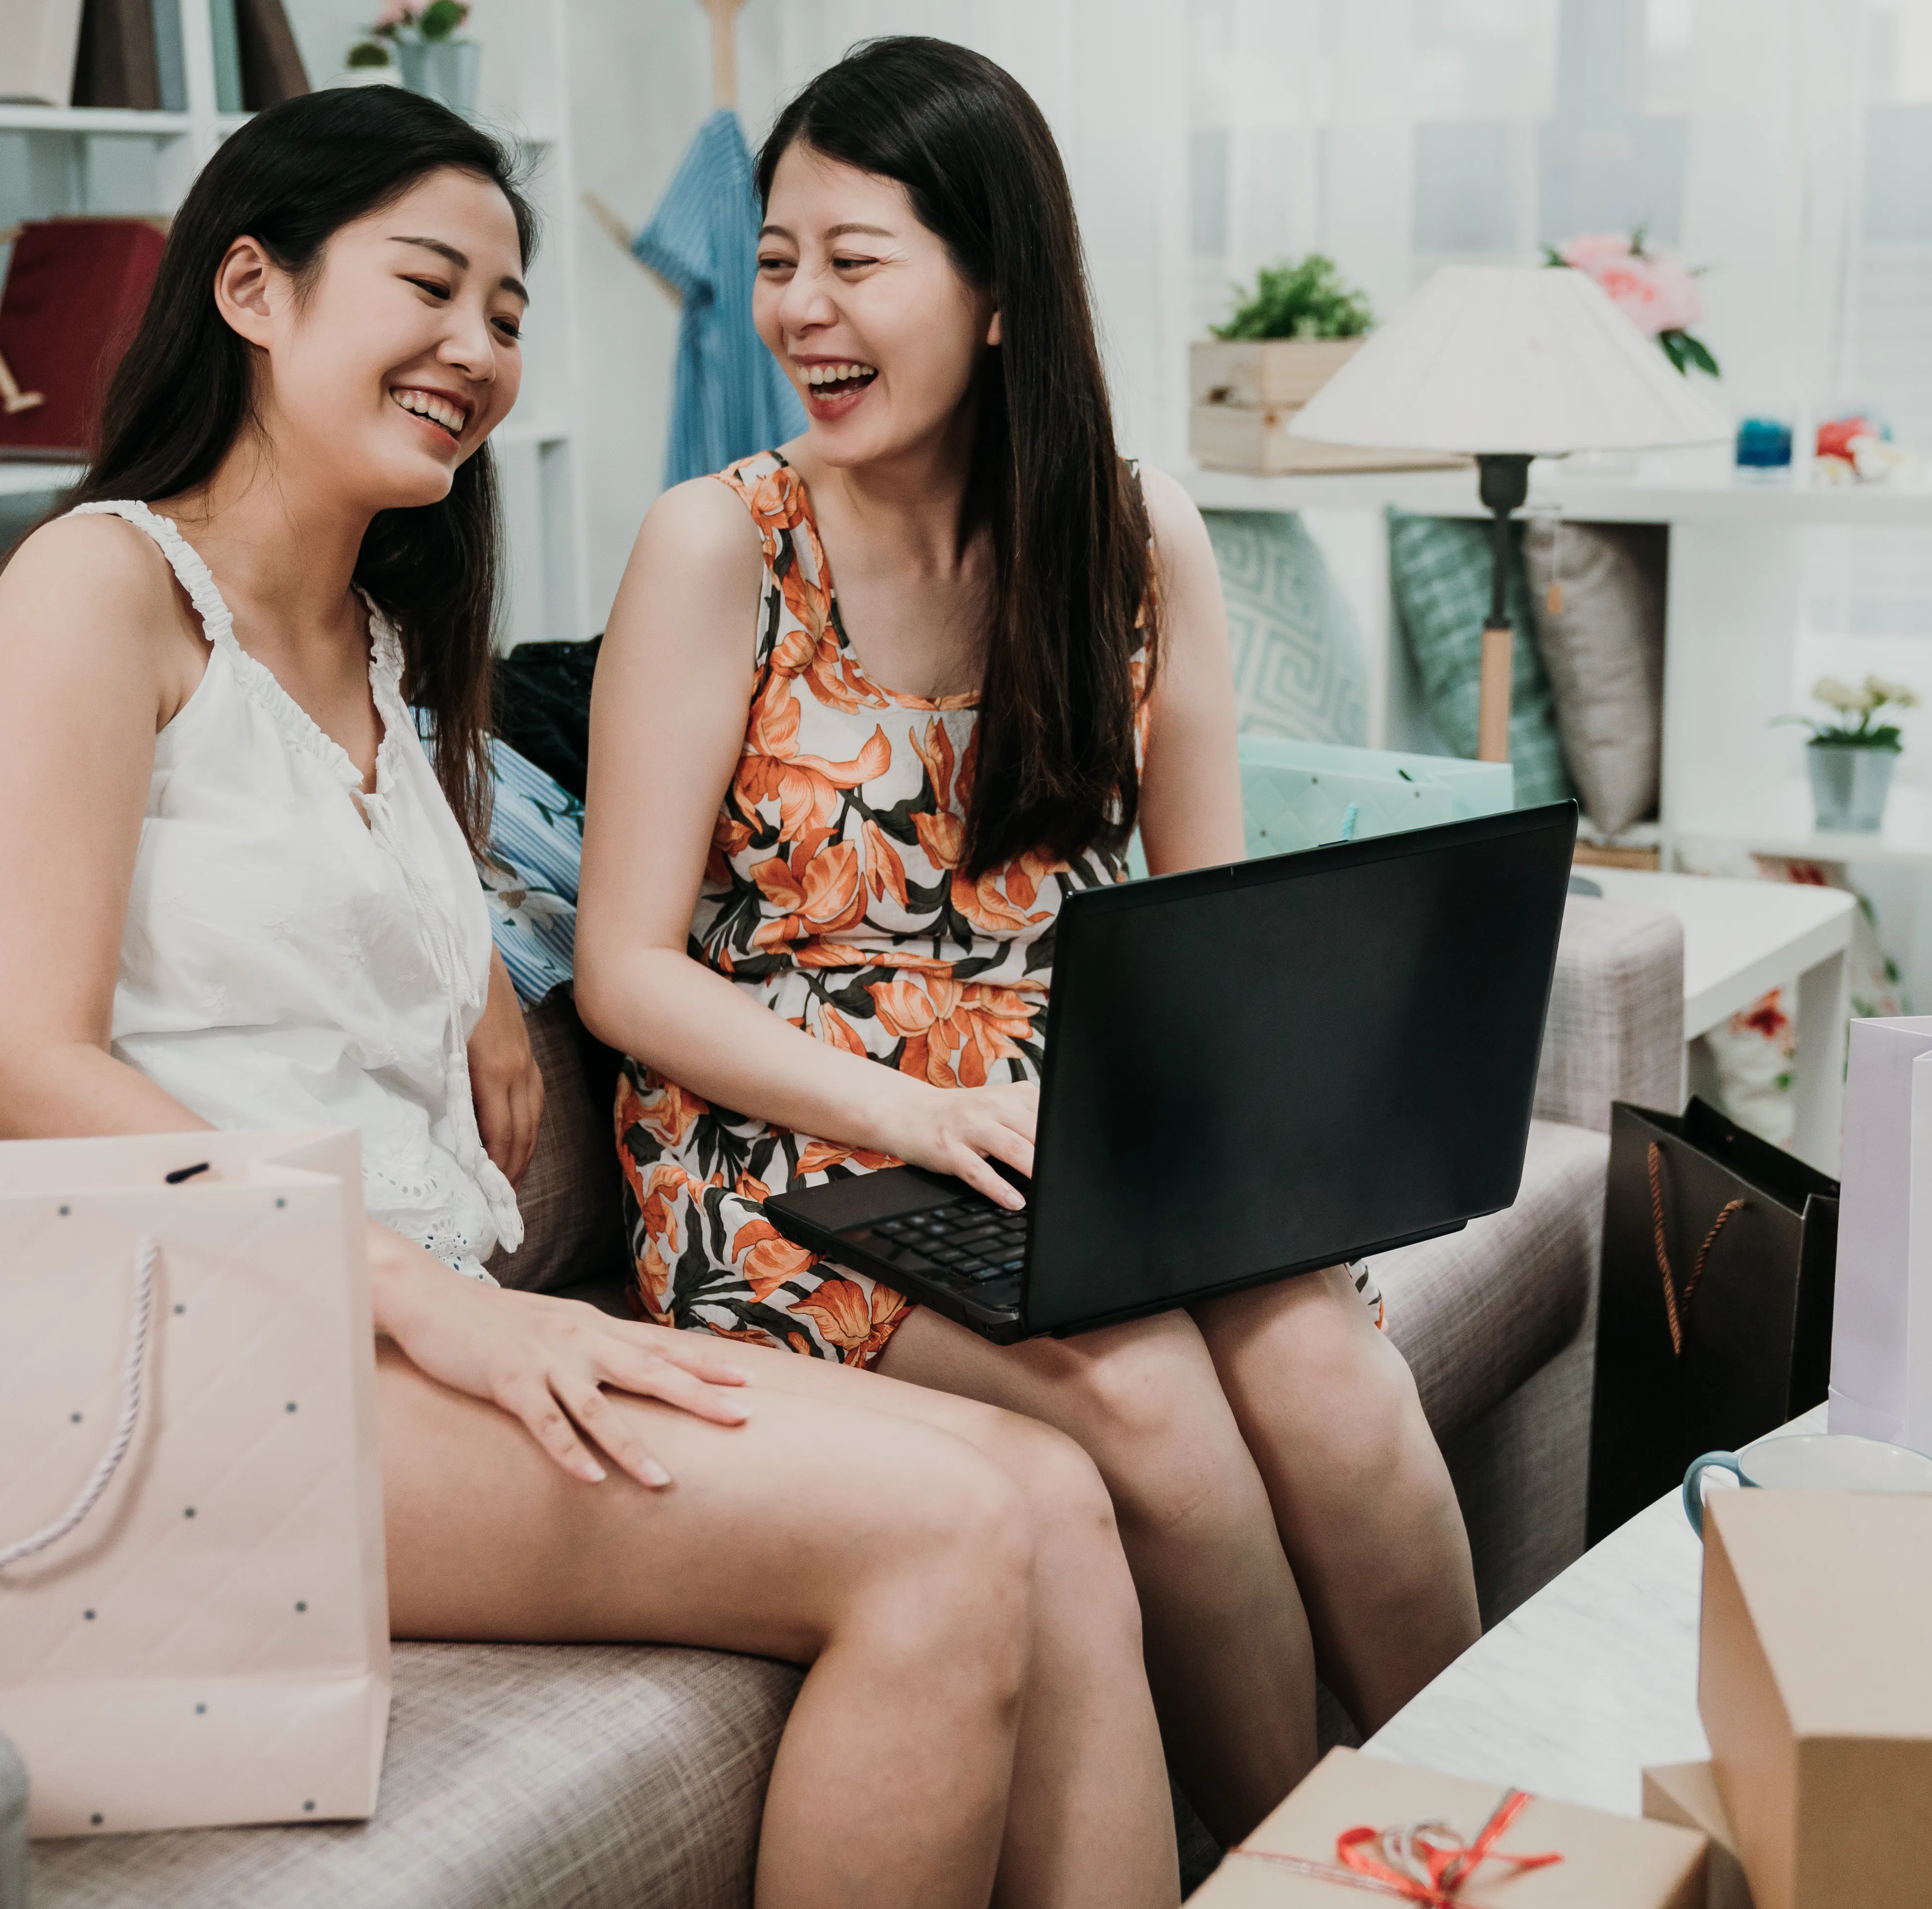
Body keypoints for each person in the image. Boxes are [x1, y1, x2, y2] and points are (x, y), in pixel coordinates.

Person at [0, 87, 1175, 1909]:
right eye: (430, 285)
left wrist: (484, 980)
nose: (477, 349)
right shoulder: (95, 587)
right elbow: (21, 1064)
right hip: (173, 1352)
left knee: (1056, 1499)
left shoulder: (376, 651)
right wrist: (454, 1312)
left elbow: (313, 917)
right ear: (251, 289)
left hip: (380, 1341)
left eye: (507, 311)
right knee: (955, 1530)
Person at [575, 36, 1481, 1846]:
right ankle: (1338, 1869)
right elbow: (627, 971)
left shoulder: (1137, 540)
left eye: (856, 258)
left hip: (1067, 1132)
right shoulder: (719, 546)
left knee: (1326, 1371)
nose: (798, 309)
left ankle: (1499, 1825)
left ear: (998, 294)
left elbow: (1210, 941)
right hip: (791, 1143)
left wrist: (1277, 1165)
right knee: (1146, 1404)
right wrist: (911, 1115)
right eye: (777, 259)